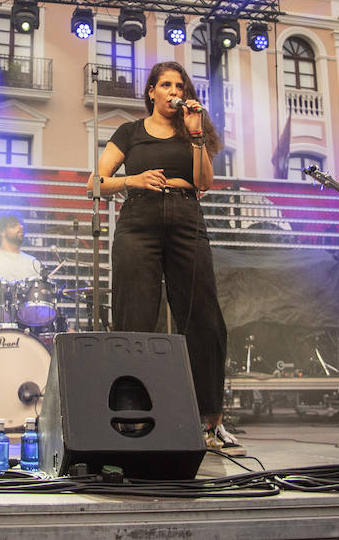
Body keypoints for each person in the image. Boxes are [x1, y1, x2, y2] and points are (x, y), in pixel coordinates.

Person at [90, 61, 234, 451]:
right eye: (166, 84)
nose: (174, 90)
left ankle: (211, 420)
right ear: (151, 91)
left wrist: (197, 136)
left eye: (179, 84)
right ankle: (131, 416)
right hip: (139, 218)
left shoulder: (192, 133)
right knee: (134, 315)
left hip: (186, 215)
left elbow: (204, 182)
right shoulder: (130, 132)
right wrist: (132, 180)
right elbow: (96, 183)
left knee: (203, 316)